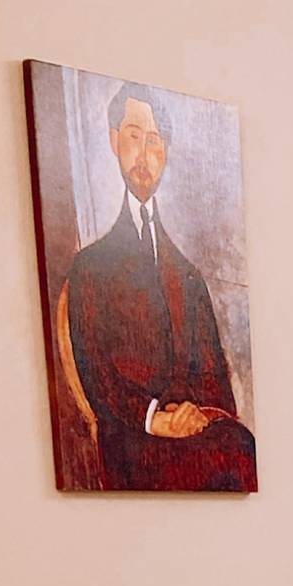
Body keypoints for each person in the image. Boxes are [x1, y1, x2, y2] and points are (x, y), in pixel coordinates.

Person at [65, 84, 257, 492]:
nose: (144, 153)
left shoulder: (189, 276)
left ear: (165, 152)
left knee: (240, 446)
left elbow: (214, 377)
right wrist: (156, 419)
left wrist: (198, 415)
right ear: (114, 141)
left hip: (194, 433)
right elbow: (97, 376)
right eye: (134, 136)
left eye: (154, 141)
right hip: (134, 436)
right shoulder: (89, 267)